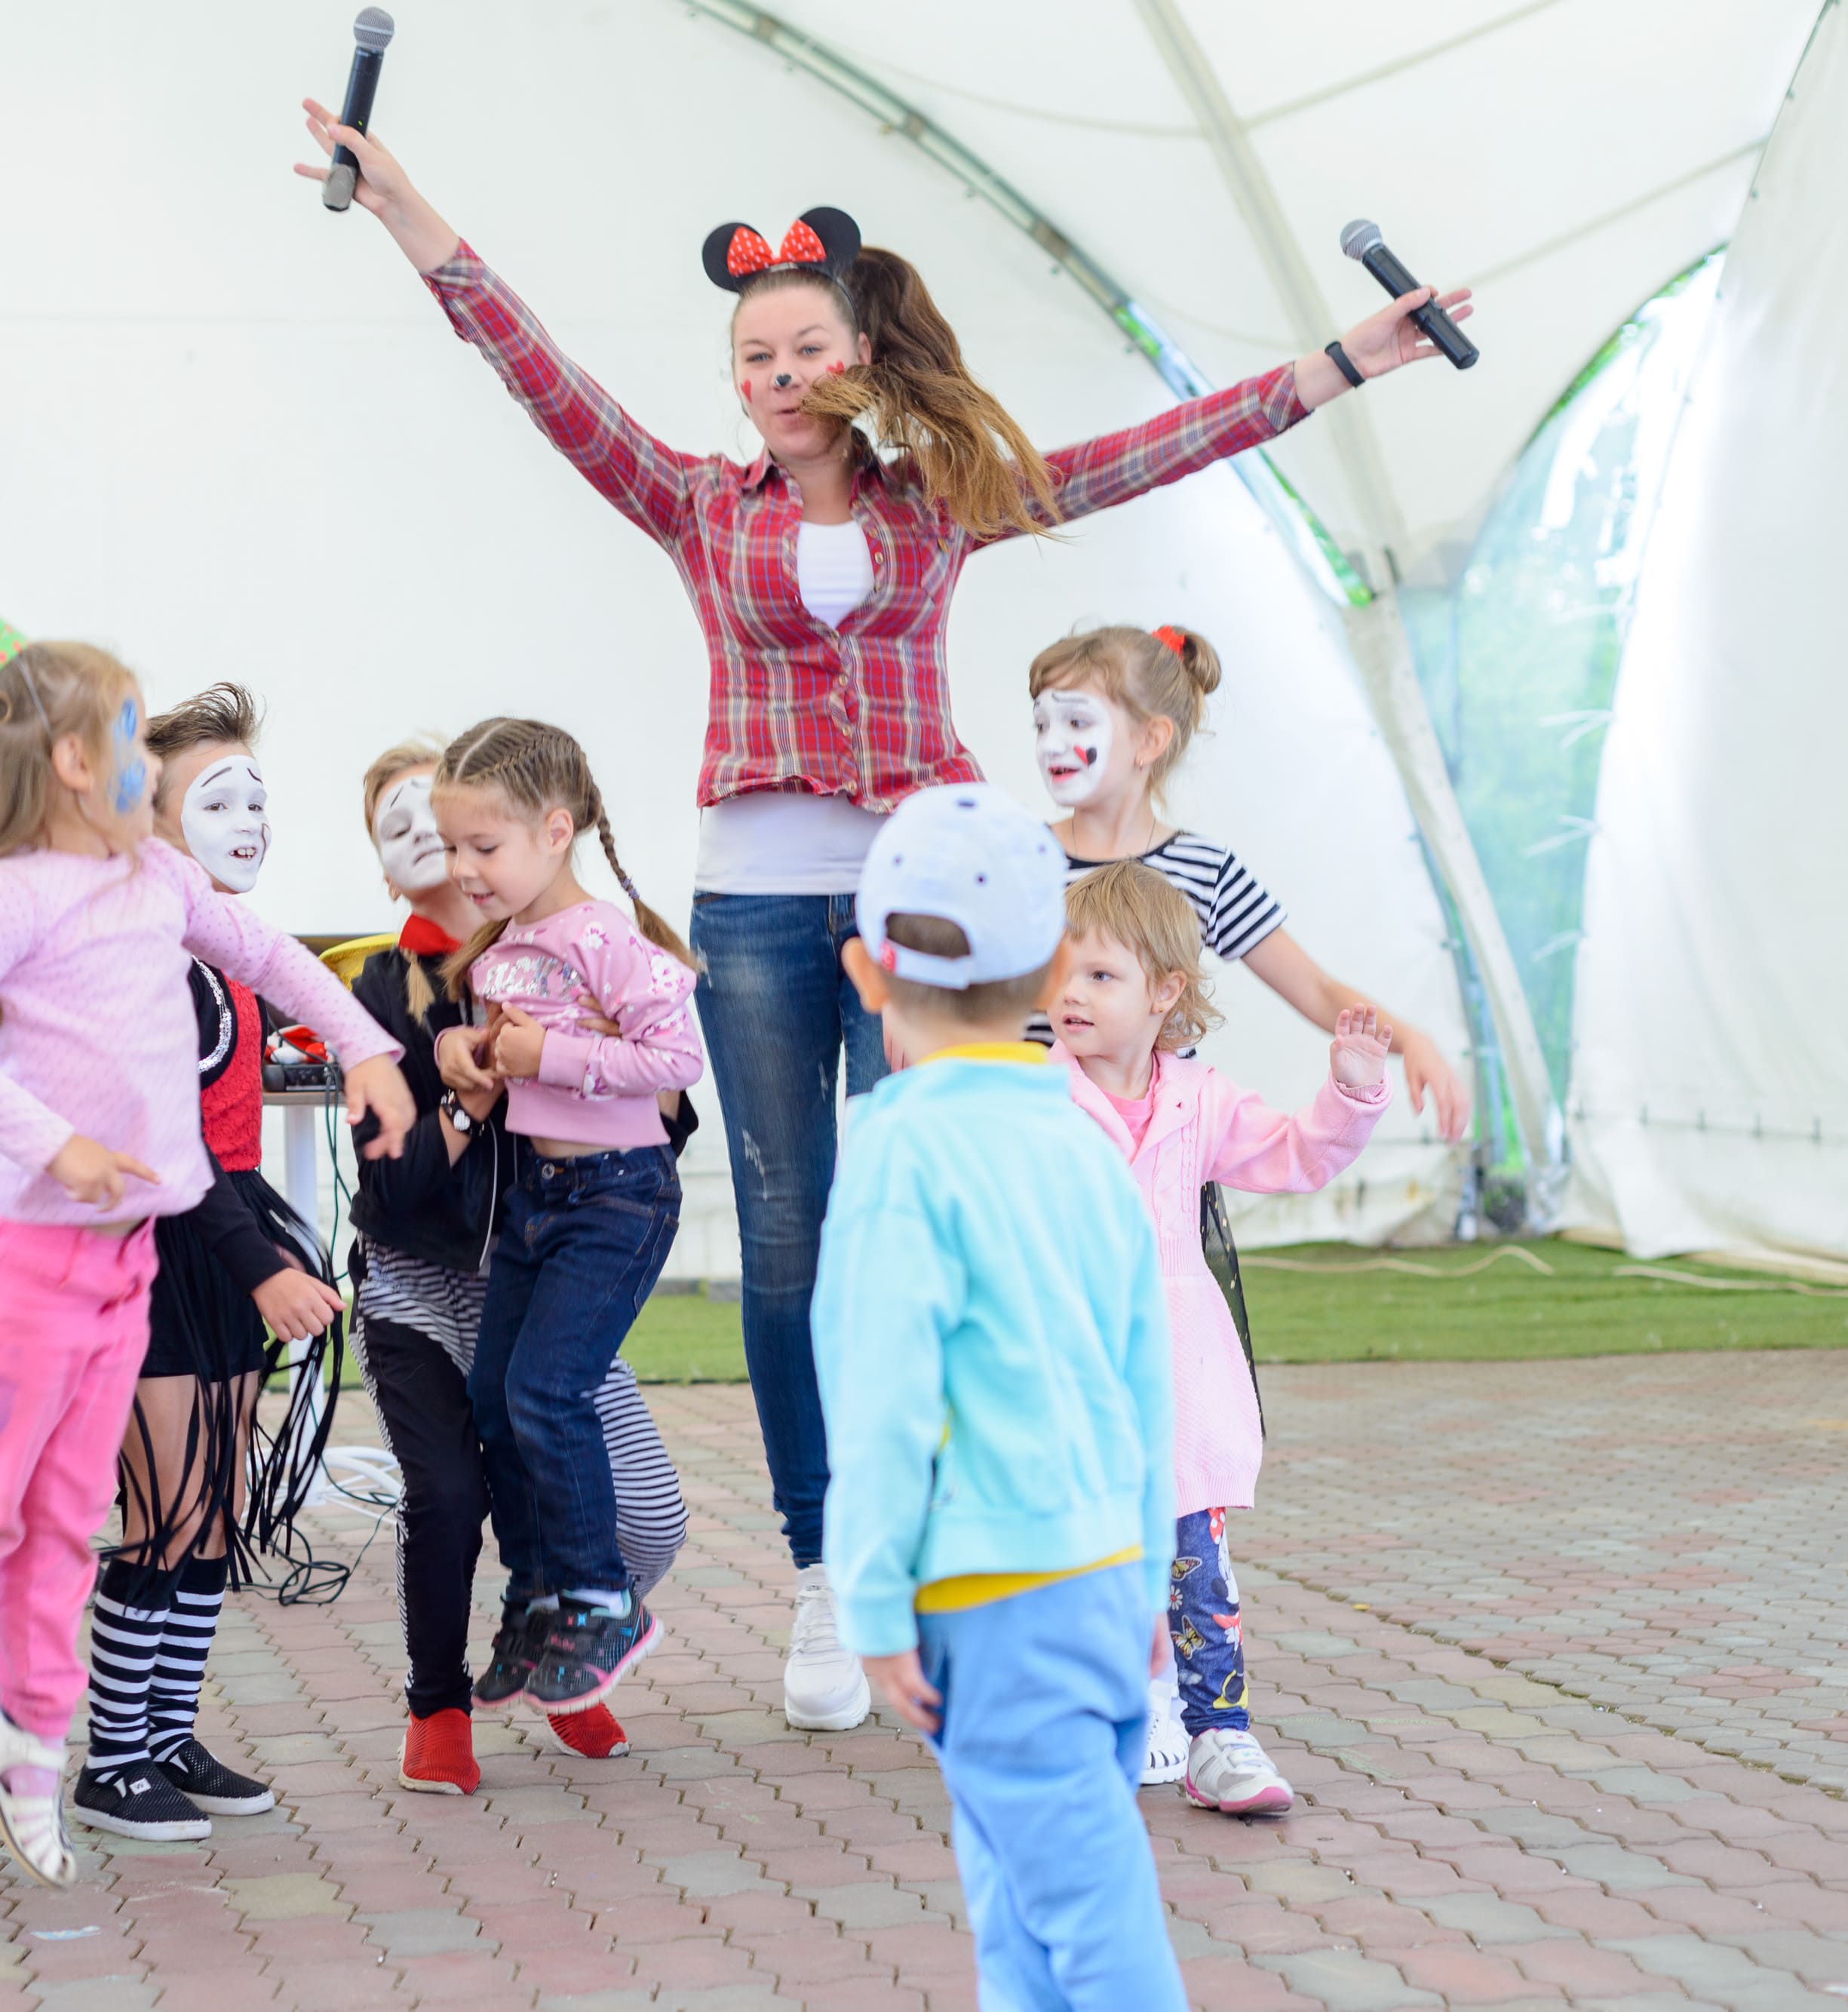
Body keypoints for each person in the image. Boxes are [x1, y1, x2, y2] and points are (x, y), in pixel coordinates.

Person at [299, 100, 1475, 1731]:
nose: (775, 378)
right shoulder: (697, 505)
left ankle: (960, 1550)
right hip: (761, 904)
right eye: (752, 356)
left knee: (936, 1218)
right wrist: (405, 207)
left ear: (858, 356)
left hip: (922, 896)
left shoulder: (943, 497)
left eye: (802, 349)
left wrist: (1345, 362)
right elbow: (539, 373)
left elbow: (1144, 454)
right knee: (786, 1241)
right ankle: (821, 1565)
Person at [0, 625, 411, 1906]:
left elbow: (270, 955)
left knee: (62, 1521)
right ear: (72, 759)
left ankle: (43, 1735)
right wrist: (61, 1143)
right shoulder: (3, 892)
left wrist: (366, 1045)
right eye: (135, 730)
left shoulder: (159, 879)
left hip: (127, 1258)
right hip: (23, 1249)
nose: (154, 755)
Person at [813, 782, 1184, 2011]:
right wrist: (1141, 1582)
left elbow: (881, 1405)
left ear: (867, 973)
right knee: (1018, 1896)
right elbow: (1143, 1383)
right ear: (1049, 984)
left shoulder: (899, 1155)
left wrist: (867, 1599)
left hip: (990, 1589)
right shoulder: (1085, 1144)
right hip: (1095, 1574)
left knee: (1080, 1904)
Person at [347, 742, 692, 1795]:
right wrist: (466, 1091)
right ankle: (440, 1699)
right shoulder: (378, 986)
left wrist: (564, 1053)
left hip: (546, 1259)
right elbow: (396, 1191)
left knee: (648, 1506)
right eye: (415, 833)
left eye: (465, 835)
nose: (448, 853)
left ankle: (570, 1635)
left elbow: (669, 1111)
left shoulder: (564, 947)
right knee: (450, 1493)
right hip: (418, 1282)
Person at [1049, 863, 1389, 1817]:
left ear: (1165, 992)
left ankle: (1220, 1739)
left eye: (1101, 977)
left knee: (1199, 1576)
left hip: (1181, 1393)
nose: (1071, 993)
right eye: (1062, 972)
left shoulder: (1200, 1103)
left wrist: (1350, 1095)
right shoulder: (1032, 1104)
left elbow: (1295, 1154)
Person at [72, 683, 342, 1843]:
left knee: (218, 1513)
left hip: (228, 1245)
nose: (248, 820)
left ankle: (168, 1729)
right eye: (215, 797)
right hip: (157, 1256)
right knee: (164, 1514)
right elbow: (170, 1145)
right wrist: (264, 1260)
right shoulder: (140, 958)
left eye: (257, 798)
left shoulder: (226, 953)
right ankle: (111, 1755)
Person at [428, 718, 704, 1719]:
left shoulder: (606, 937)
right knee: (498, 1397)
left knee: (549, 1390)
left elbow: (675, 1063)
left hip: (618, 1194)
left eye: (483, 847)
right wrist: (472, 1053)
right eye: (452, 846)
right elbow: (511, 1050)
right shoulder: (505, 949)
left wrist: (554, 1060)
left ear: (556, 830)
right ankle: (539, 1592)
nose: (464, 867)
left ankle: (601, 1597)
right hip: (538, 1197)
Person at [1027, 622, 1467, 1132]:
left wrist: (1412, 1041)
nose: (1051, 744)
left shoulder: (1207, 870)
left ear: (1150, 739)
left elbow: (1316, 988)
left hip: (1159, 1154)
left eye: (1077, 723)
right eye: (1042, 725)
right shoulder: (1012, 860)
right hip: (1041, 1144)